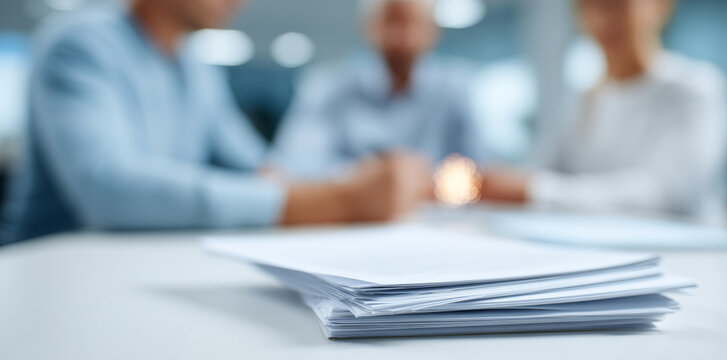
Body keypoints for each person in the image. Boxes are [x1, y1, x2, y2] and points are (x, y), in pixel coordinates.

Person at [0, 0, 433, 245]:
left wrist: (364, 182)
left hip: (143, 259)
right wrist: (334, 201)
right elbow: (108, 189)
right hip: (53, 272)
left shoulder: (195, 67)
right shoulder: (80, 44)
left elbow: (259, 165)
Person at [481, 0, 727, 225]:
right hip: (609, 254)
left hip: (699, 257)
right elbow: (541, 170)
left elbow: (666, 197)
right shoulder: (584, 100)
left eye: (617, 5)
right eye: (588, 6)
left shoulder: (696, 88)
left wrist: (534, 191)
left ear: (660, 6)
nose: (602, 18)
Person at [270, 0, 487, 180]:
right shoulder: (329, 86)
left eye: (416, 23)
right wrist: (372, 177)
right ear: (369, 27)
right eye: (393, 22)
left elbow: (481, 168)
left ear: (434, 30)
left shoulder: (455, 89)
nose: (405, 37)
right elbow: (294, 162)